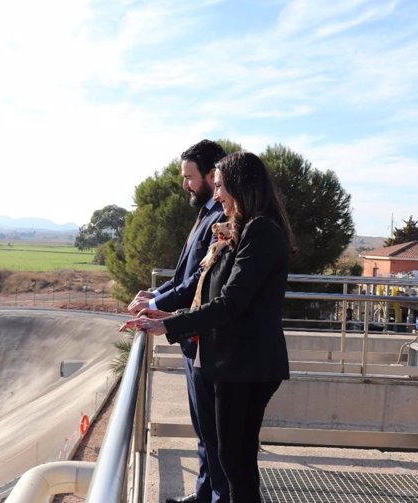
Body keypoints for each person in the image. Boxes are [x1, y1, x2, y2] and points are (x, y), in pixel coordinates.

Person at [121, 151, 294, 503]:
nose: (216, 196)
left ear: (241, 187)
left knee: (234, 462)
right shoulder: (246, 228)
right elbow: (209, 289)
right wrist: (167, 315)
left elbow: (231, 303)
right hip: (235, 363)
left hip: (244, 365)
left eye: (220, 187)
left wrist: (170, 325)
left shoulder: (260, 231)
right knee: (235, 461)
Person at [128, 139, 229, 503]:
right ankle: (204, 496)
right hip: (192, 336)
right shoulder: (204, 215)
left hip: (203, 337)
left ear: (211, 174)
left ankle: (215, 498)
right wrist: (153, 297)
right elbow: (183, 275)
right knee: (204, 431)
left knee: (214, 434)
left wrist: (159, 304)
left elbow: (194, 286)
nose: (184, 184)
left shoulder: (220, 220)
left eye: (190, 176)